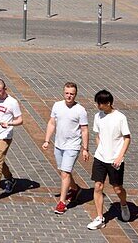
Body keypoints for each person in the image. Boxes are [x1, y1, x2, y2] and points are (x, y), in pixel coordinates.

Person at [87, 89, 132, 229]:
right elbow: (98, 134)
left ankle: (123, 204)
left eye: (101, 104)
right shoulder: (97, 116)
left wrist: (120, 156)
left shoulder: (120, 118)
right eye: (97, 103)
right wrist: (99, 147)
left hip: (114, 160)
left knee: (117, 189)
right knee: (98, 186)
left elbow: (127, 138)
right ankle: (100, 217)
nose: (98, 106)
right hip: (100, 158)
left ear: (108, 103)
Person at [42, 82, 90, 215]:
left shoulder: (80, 110)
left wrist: (85, 148)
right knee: (64, 171)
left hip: (73, 146)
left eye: (72, 94)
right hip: (59, 144)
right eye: (67, 93)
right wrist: (47, 140)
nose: (69, 96)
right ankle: (75, 189)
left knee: (65, 173)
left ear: (76, 95)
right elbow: (52, 123)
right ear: (64, 93)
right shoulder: (57, 105)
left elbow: (84, 130)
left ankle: (62, 202)